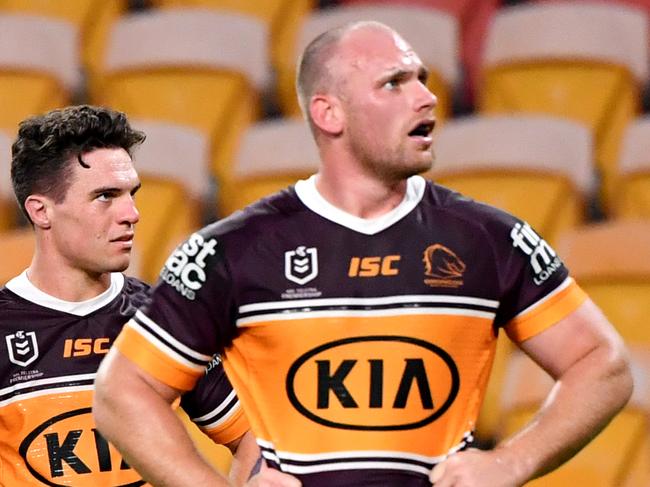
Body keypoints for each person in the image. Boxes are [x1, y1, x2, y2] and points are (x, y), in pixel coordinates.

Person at [93, 21, 633, 487]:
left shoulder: (485, 239)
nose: (426, 97)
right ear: (330, 113)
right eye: (394, 83)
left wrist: (513, 461)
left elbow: (602, 364)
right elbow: (123, 391)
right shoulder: (233, 249)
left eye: (421, 78)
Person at [0, 105, 260, 486]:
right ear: (41, 211)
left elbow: (254, 438)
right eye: (106, 196)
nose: (133, 213)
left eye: (131, 194)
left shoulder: (165, 322)